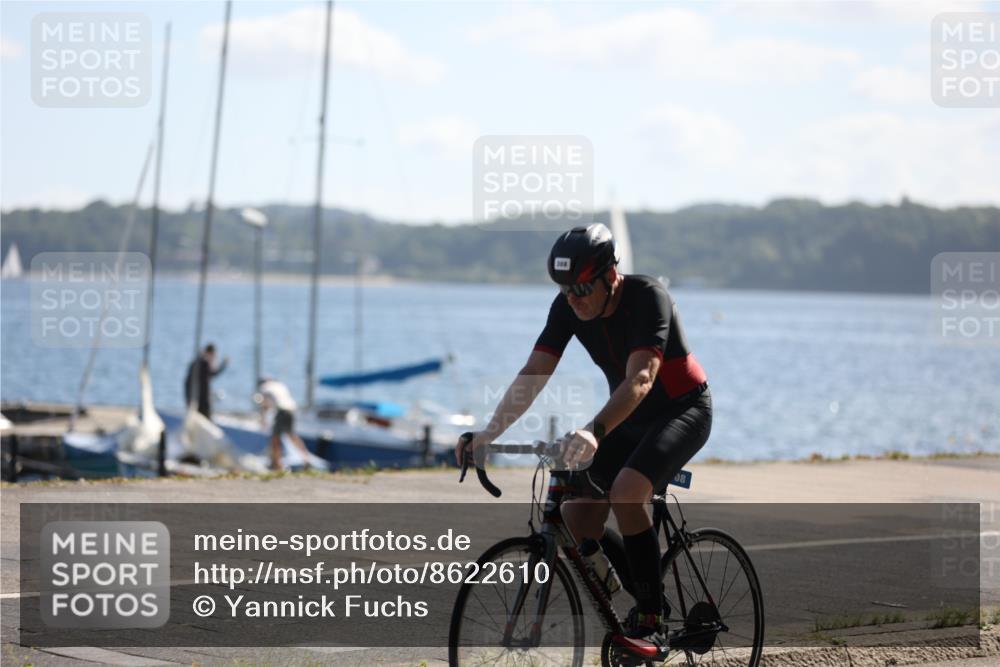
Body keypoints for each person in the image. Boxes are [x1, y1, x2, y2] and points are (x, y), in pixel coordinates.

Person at [455, 223, 712, 644]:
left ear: (610, 277)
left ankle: (649, 617)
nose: (572, 299)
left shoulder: (648, 298)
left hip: (681, 411)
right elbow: (534, 373)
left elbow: (643, 379)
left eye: (581, 288)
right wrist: (487, 433)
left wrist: (594, 431)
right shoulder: (568, 306)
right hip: (628, 418)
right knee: (576, 517)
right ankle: (637, 594)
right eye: (564, 289)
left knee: (628, 491)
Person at [255, 377, 312, 471]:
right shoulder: (280, 385)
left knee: (275, 438)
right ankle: (306, 457)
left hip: (281, 411)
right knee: (291, 435)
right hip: (291, 410)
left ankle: (277, 464)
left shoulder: (264, 388)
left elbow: (264, 405)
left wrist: (263, 420)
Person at [184, 343, 228, 420]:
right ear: (211, 354)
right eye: (214, 356)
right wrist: (223, 365)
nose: (214, 358)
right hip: (201, 400)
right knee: (206, 418)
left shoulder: (197, 362)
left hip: (196, 398)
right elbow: (213, 373)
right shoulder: (203, 363)